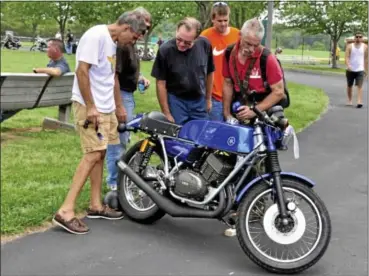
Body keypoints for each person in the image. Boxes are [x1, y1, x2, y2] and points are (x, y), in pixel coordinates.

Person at [52, 10, 149, 235]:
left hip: (106, 108)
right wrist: (91, 107)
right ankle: (65, 210)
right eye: (134, 37)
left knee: (101, 153)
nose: (132, 42)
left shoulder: (113, 42)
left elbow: (109, 76)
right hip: (90, 107)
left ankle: (95, 205)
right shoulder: (96, 36)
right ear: (126, 28)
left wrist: (116, 106)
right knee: (92, 154)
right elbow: (81, 71)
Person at [222, 18, 285, 236]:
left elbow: (279, 92)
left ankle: (259, 205)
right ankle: (235, 204)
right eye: (247, 43)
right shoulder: (230, 53)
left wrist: (256, 110)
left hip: (263, 109)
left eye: (254, 45)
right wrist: (227, 113)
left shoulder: (268, 58)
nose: (250, 49)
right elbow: (228, 83)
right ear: (240, 36)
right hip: (241, 107)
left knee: (263, 159)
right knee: (238, 157)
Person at [105, 7, 152, 191]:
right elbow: (114, 76)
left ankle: (121, 178)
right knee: (117, 140)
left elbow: (126, 70)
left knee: (124, 139)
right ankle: (114, 182)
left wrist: (139, 78)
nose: (143, 32)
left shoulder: (130, 44)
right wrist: (119, 106)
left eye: (146, 28)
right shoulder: (122, 44)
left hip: (128, 93)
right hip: (121, 94)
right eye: (142, 27)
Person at [151, 17, 215, 125]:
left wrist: (208, 99)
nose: (181, 44)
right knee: (177, 136)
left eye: (187, 43)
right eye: (179, 39)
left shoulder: (205, 45)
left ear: (196, 38)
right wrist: (166, 112)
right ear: (176, 31)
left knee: (200, 135)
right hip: (176, 101)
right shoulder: (165, 50)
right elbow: (160, 83)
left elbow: (210, 72)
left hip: (199, 100)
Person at [1, 39, 70, 123]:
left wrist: (37, 70)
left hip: (40, 97)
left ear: (55, 49)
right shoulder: (54, 61)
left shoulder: (62, 64)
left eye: (48, 47)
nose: (46, 49)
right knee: (13, 101)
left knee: (11, 99)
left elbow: (56, 72)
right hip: (45, 96)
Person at [200, 1, 239, 121]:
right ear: (213, 19)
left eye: (226, 20)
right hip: (215, 96)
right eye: (219, 21)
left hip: (235, 96)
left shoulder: (238, 35)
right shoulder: (205, 37)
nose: (223, 24)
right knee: (216, 132)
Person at [344, 31, 368, 108]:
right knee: (349, 85)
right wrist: (348, 65)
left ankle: (359, 101)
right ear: (354, 38)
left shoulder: (365, 47)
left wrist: (366, 69)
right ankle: (350, 100)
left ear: (362, 38)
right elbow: (347, 57)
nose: (358, 38)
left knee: (359, 86)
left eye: (360, 37)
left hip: (360, 69)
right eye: (357, 37)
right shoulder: (350, 46)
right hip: (350, 69)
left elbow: (366, 59)